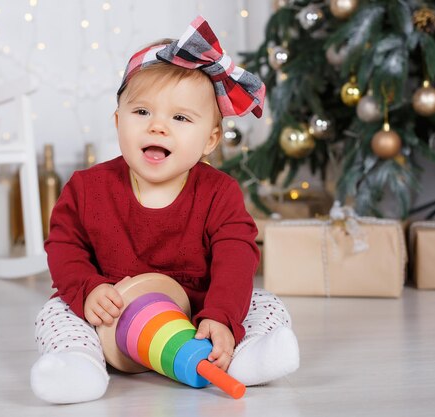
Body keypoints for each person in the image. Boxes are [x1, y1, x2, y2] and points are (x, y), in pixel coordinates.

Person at [30, 16, 299, 404]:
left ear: (210, 139)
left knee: (263, 302)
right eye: (142, 113)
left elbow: (236, 255)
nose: (158, 127)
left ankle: (243, 356)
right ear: (118, 119)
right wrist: (88, 289)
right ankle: (78, 363)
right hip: (112, 315)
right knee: (55, 313)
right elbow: (63, 247)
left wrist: (220, 315)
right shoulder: (87, 188)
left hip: (196, 315)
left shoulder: (219, 192)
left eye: (180, 118)